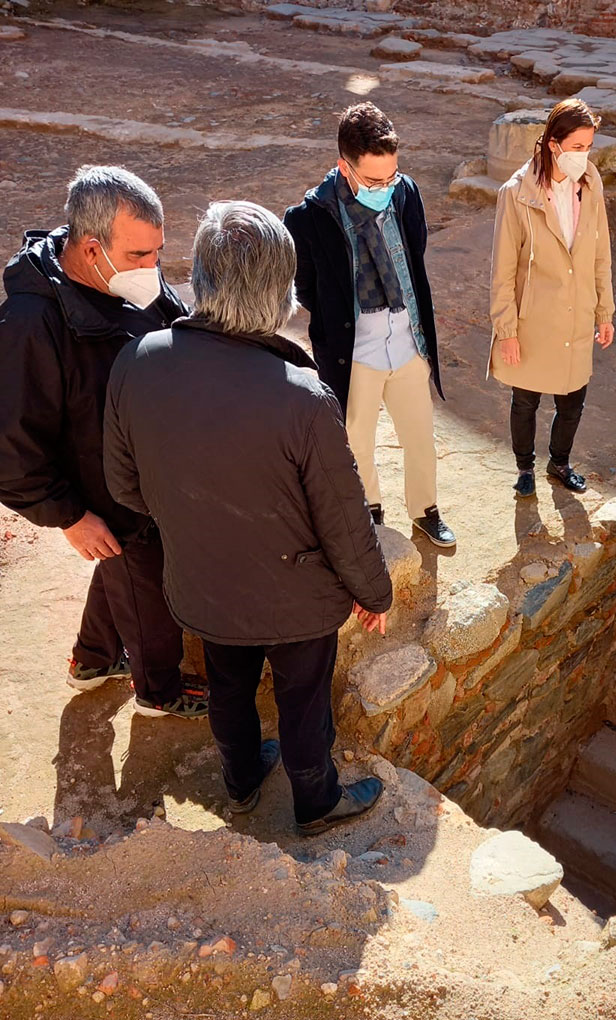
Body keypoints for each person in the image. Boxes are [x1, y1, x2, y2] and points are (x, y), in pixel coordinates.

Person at [104, 200, 393, 834]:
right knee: (303, 701)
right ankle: (315, 801)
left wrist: (195, 519)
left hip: (204, 581)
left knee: (229, 688)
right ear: (280, 292)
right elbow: (343, 519)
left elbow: (125, 486)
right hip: (298, 599)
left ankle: (240, 783)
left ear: (200, 277)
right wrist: (374, 591)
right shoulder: (301, 396)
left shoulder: (139, 360)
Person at [0, 165, 206, 719]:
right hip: (108, 495)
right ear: (92, 249)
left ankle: (92, 661)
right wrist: (69, 516)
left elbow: (177, 324)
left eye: (157, 253)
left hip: (146, 473)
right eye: (141, 256)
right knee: (144, 576)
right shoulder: (28, 324)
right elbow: (10, 449)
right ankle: (158, 691)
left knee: (118, 566)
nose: (153, 269)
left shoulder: (124, 274)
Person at [283, 102, 456, 548]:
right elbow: (305, 287)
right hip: (352, 349)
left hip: (407, 339)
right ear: (345, 166)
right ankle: (370, 514)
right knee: (357, 444)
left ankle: (425, 511)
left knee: (419, 437)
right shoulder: (306, 218)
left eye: (391, 176)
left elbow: (414, 258)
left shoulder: (406, 193)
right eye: (374, 180)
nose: (385, 187)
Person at [489, 97, 615, 499]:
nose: (584, 156)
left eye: (589, 147)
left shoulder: (591, 186)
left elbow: (601, 253)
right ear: (553, 144)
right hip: (533, 319)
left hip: (577, 314)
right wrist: (506, 329)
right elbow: (503, 268)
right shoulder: (516, 193)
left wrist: (604, 312)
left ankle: (559, 463)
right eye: (578, 147)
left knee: (573, 400)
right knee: (525, 400)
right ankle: (524, 468)